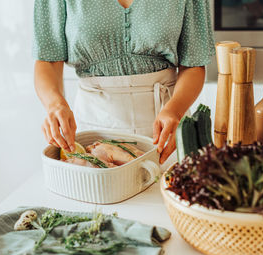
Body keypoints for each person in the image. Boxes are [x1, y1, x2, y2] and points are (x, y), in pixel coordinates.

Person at [33, 0, 215, 164]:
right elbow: (47, 60)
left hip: (167, 129)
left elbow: (193, 64)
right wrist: (55, 105)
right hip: (92, 125)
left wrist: (175, 109)